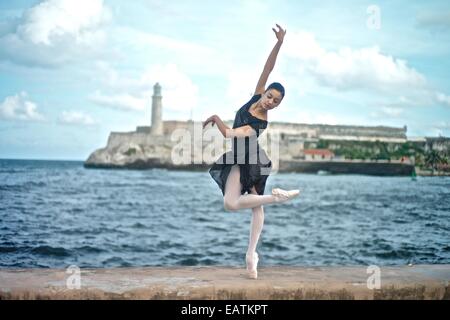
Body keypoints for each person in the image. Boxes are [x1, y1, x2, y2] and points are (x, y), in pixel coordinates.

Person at [202, 24, 300, 280]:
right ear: (265, 92)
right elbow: (268, 67)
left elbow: (229, 134)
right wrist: (279, 43)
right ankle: (276, 199)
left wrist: (216, 117)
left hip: (253, 160)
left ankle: (251, 255)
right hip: (238, 158)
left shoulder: (259, 123)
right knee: (231, 203)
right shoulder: (256, 95)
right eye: (270, 96)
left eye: (276, 102)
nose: (270, 101)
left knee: (251, 206)